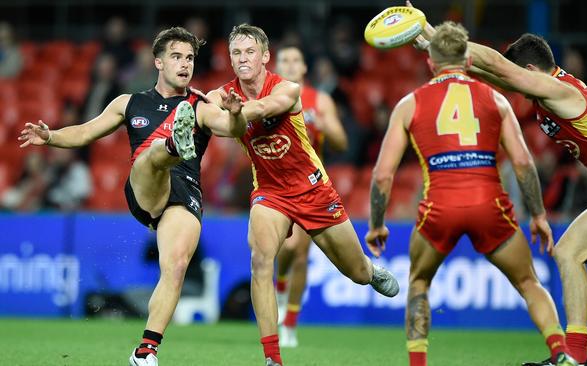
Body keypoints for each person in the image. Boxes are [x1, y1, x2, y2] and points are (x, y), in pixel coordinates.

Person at [414, 10, 587, 366]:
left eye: (521, 74)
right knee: (572, 252)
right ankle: (575, 356)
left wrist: (439, 36)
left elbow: (498, 66)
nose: (517, 87)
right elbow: (498, 76)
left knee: (570, 251)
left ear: (533, 71)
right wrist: (440, 53)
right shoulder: (550, 88)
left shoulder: (558, 88)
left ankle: (575, 357)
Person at [18, 26, 247, 366]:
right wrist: (50, 136)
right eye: (176, 57)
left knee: (177, 266)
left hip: (185, 193)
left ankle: (145, 352)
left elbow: (234, 131)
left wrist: (236, 112)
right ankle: (171, 145)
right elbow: (84, 132)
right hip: (146, 186)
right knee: (152, 157)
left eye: (190, 58)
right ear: (158, 62)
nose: (185, 64)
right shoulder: (130, 103)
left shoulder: (200, 106)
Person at [365, 22, 577, 366]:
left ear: (431, 63)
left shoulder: (409, 104)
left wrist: (377, 225)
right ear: (467, 60)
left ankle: (418, 364)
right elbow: (523, 163)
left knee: (419, 282)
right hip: (490, 204)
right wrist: (538, 215)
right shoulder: (495, 99)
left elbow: (382, 174)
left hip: (439, 207)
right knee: (528, 281)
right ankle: (561, 352)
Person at [204, 24, 399, 366]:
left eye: (250, 51)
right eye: (236, 53)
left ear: (265, 57)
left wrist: (235, 113)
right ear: (230, 60)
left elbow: (262, 110)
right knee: (261, 259)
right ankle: (272, 358)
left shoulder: (288, 90)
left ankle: (370, 269)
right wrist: (214, 113)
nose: (243, 58)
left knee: (354, 272)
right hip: (269, 192)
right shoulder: (222, 94)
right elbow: (213, 119)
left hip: (312, 188)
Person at [272, 45, 348, 348]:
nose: (290, 65)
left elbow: (342, 143)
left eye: (295, 60)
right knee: (283, 251)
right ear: (276, 67)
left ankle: (289, 323)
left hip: (308, 185)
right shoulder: (269, 97)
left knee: (299, 250)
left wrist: (325, 124)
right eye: (284, 60)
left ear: (304, 68)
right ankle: (280, 286)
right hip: (274, 183)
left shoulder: (320, 100)